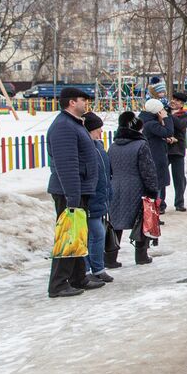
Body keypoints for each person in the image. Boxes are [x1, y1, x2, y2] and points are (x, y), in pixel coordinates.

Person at [46, 86, 103, 297]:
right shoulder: (63, 127)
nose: (85, 104)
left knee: (77, 235)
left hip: (78, 191)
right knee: (67, 236)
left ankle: (78, 277)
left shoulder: (73, 124)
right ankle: (59, 284)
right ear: (72, 102)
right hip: (69, 192)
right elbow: (66, 165)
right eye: (83, 100)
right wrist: (72, 196)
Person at [108, 111, 160, 266]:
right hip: (137, 188)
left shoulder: (112, 147)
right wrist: (152, 190)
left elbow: (109, 169)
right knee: (141, 221)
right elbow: (147, 170)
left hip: (116, 188)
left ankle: (110, 258)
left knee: (115, 223)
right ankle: (141, 256)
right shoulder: (141, 145)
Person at [83, 111, 114, 283]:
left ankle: (97, 268)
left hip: (100, 198)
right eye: (98, 129)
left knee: (97, 235)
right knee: (95, 235)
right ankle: (89, 268)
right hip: (91, 199)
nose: (101, 132)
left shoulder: (99, 148)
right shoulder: (89, 149)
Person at [139, 97, 175, 215]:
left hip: (154, 157)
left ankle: (157, 209)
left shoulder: (146, 121)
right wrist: (166, 117)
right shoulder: (151, 124)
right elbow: (168, 131)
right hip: (155, 159)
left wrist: (163, 139)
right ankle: (154, 213)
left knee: (158, 185)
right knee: (157, 186)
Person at [168, 92, 187, 211]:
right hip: (165, 148)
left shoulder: (185, 114)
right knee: (162, 177)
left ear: (182, 104)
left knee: (179, 178)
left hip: (178, 149)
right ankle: (161, 204)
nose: (174, 102)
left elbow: (182, 125)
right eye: (173, 99)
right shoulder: (164, 110)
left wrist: (169, 115)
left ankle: (179, 203)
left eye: (177, 101)